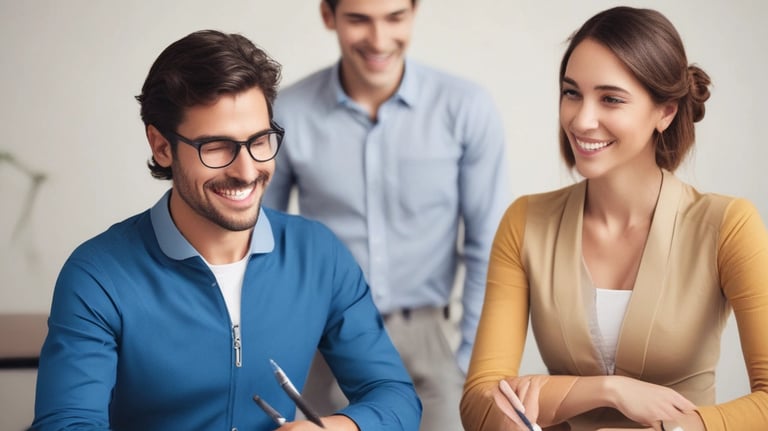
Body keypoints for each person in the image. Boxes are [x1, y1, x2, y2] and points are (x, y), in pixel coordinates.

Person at [31, 29, 421, 431]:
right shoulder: (98, 275)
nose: (247, 170)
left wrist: (340, 429)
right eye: (216, 146)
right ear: (161, 146)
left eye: (260, 140)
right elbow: (66, 424)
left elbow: (395, 396)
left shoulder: (318, 253)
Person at [461, 6, 768, 431]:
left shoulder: (727, 225)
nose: (581, 119)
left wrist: (679, 428)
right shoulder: (526, 222)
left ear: (665, 112)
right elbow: (479, 405)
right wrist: (609, 390)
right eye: (572, 93)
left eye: (611, 99)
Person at [262, 1, 509, 429]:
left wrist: (469, 360)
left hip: (432, 343)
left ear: (414, 12)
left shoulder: (466, 107)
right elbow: (262, 240)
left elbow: (488, 243)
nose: (379, 40)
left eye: (395, 17)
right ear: (328, 16)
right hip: (326, 342)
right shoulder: (289, 113)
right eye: (359, 19)